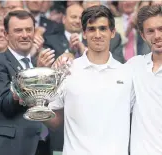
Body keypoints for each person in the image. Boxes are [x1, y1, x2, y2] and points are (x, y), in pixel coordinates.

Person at [55, 5, 162, 155]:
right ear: (143, 35)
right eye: (150, 31)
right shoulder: (132, 67)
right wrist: (67, 57)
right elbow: (97, 70)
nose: (157, 35)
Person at [43, 5, 135, 155]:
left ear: (112, 32)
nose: (97, 34)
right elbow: (55, 122)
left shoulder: (127, 73)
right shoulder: (67, 70)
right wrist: (33, 102)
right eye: (92, 29)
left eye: (103, 28)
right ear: (84, 33)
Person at [0, 10, 47, 155]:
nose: (25, 35)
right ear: (6, 35)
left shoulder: (36, 62)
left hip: (42, 144)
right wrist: (36, 76)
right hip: (13, 146)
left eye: (29, 29)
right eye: (18, 30)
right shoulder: (0, 61)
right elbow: (5, 104)